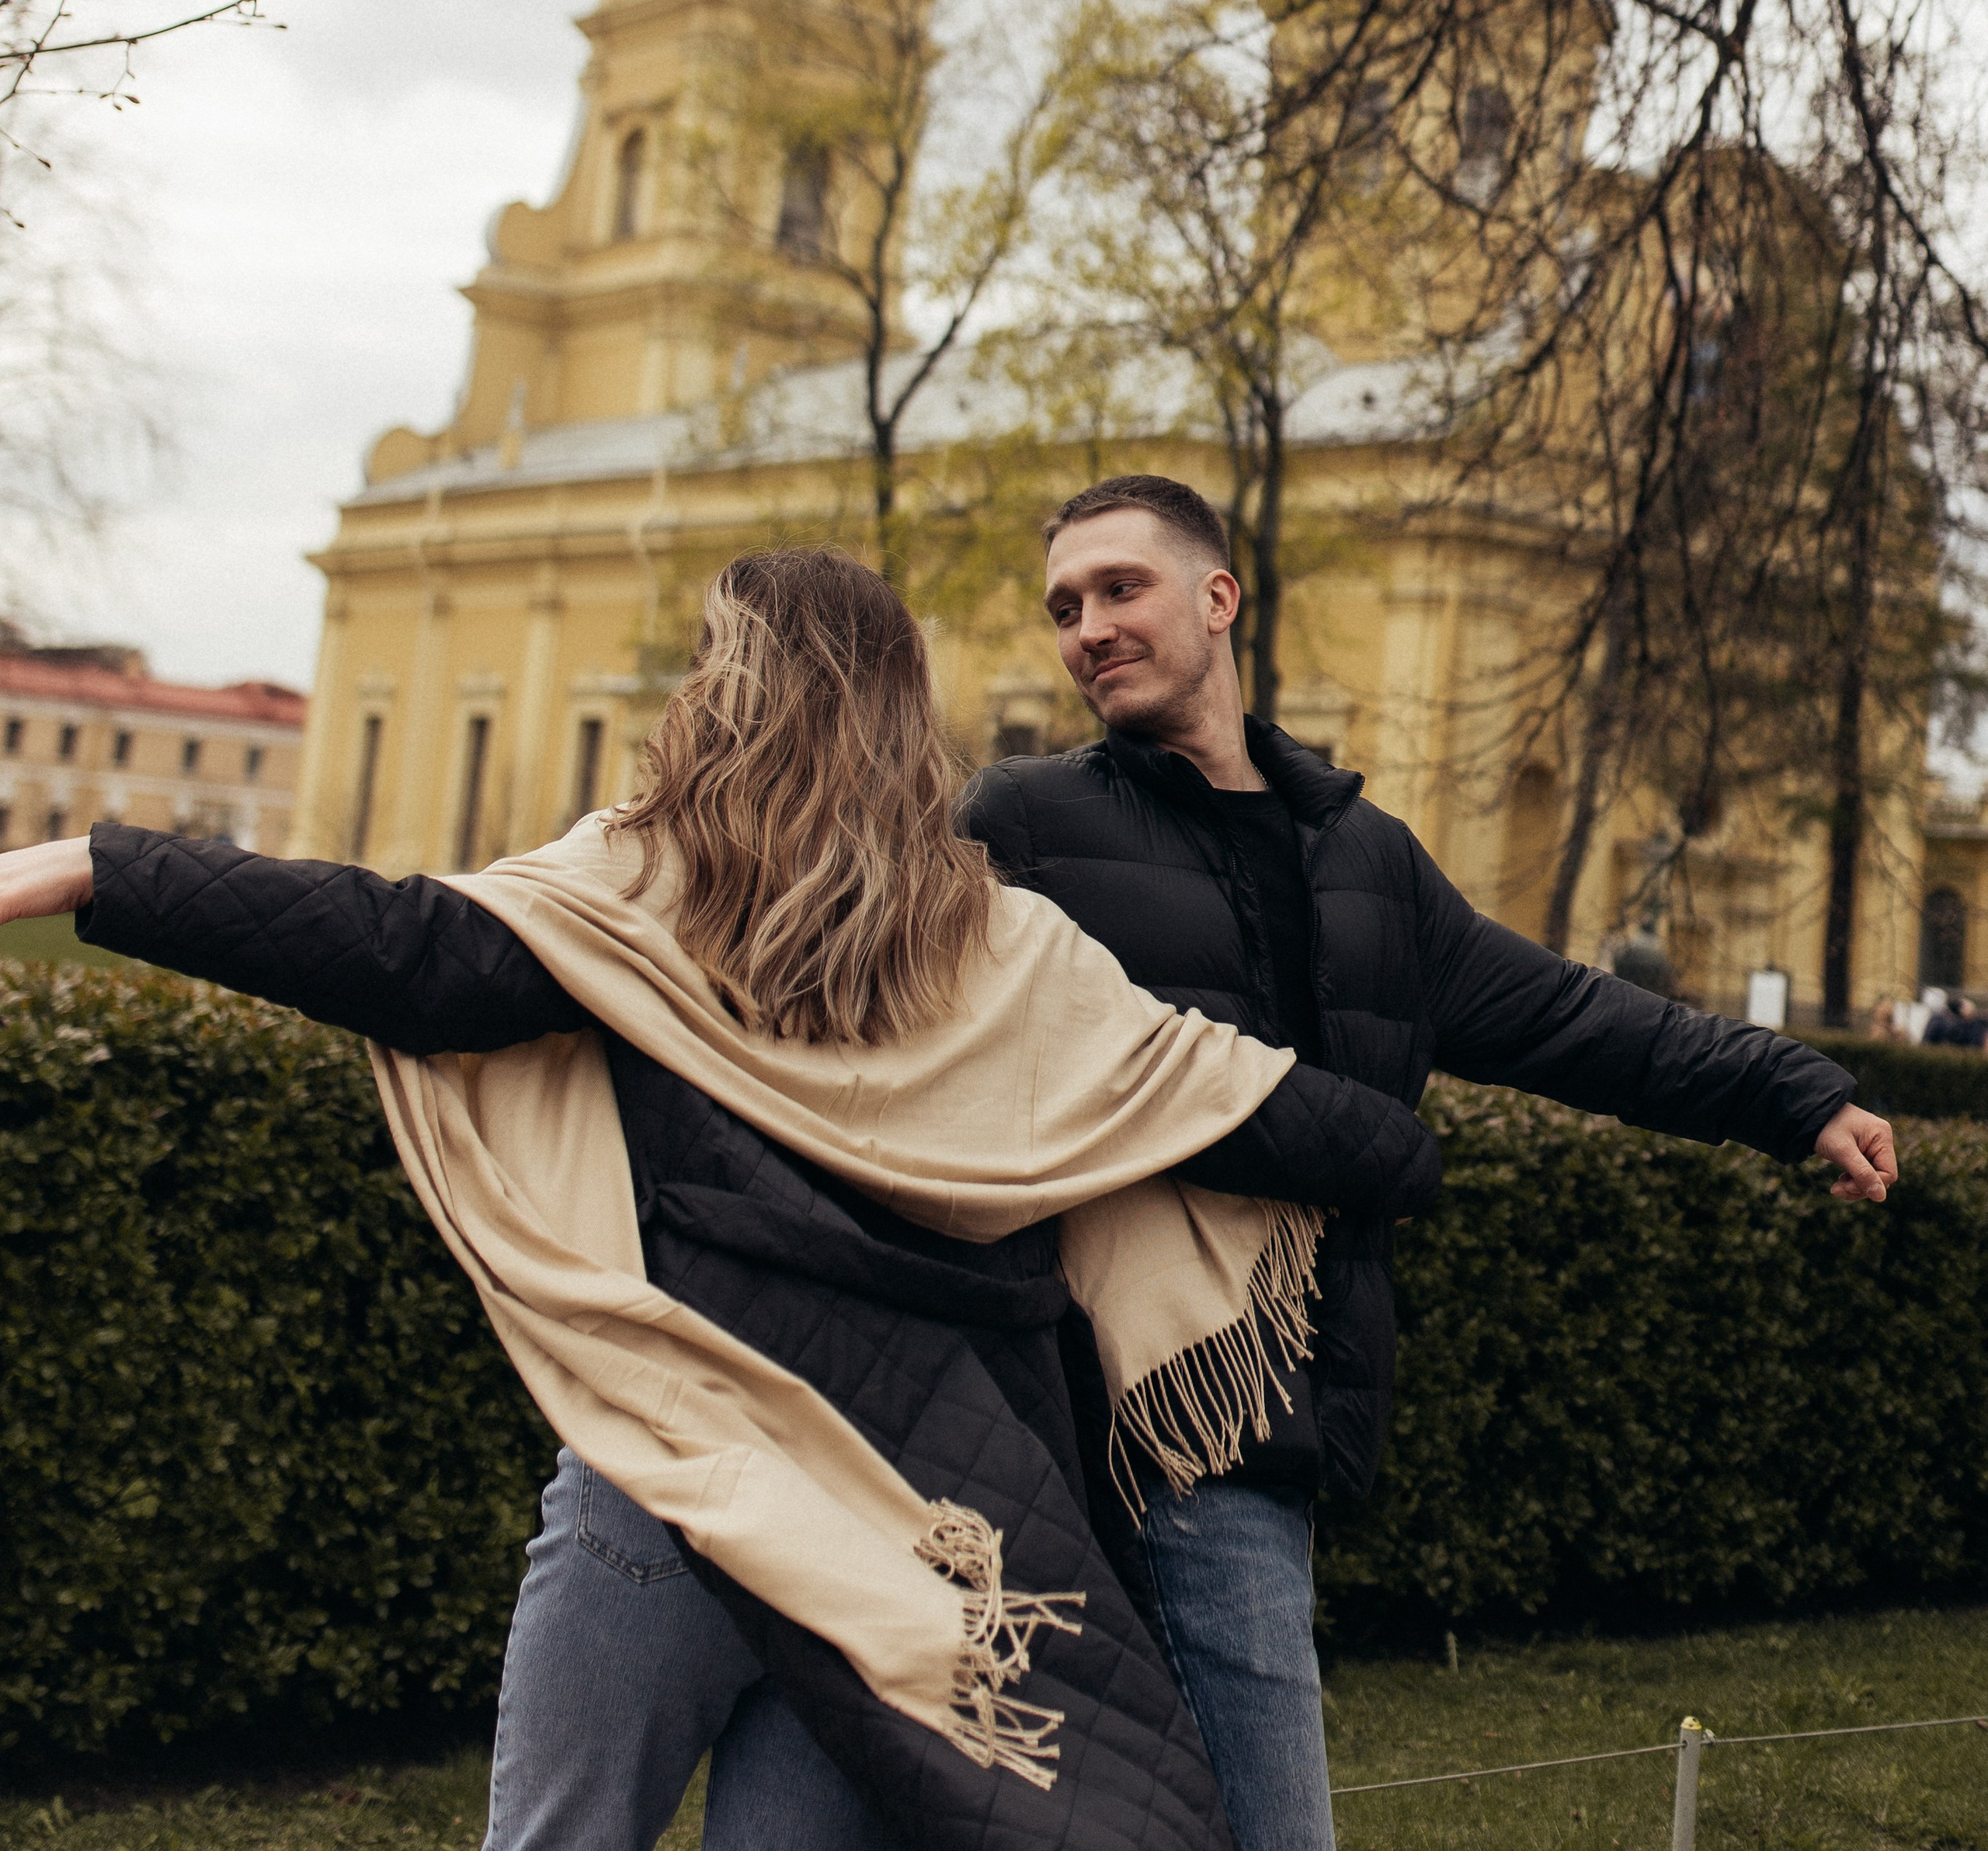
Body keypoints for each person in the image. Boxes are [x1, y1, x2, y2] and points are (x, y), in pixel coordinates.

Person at [0, 546, 1440, 1851]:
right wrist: (1401, 1147)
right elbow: (1263, 1112)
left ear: (726, 687)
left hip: (675, 1475)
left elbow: (401, 947)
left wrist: (92, 867)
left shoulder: (642, 887)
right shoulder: (1011, 949)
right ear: (906, 710)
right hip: (905, 1536)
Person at [961, 474, 1900, 1851]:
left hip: (1285, 1410)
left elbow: (1575, 1019)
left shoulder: (1368, 860)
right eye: (1064, 606)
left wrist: (1793, 1091)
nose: (1087, 626)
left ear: (1219, 598)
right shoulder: (1024, 820)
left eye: (1120, 588)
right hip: (1136, 1410)